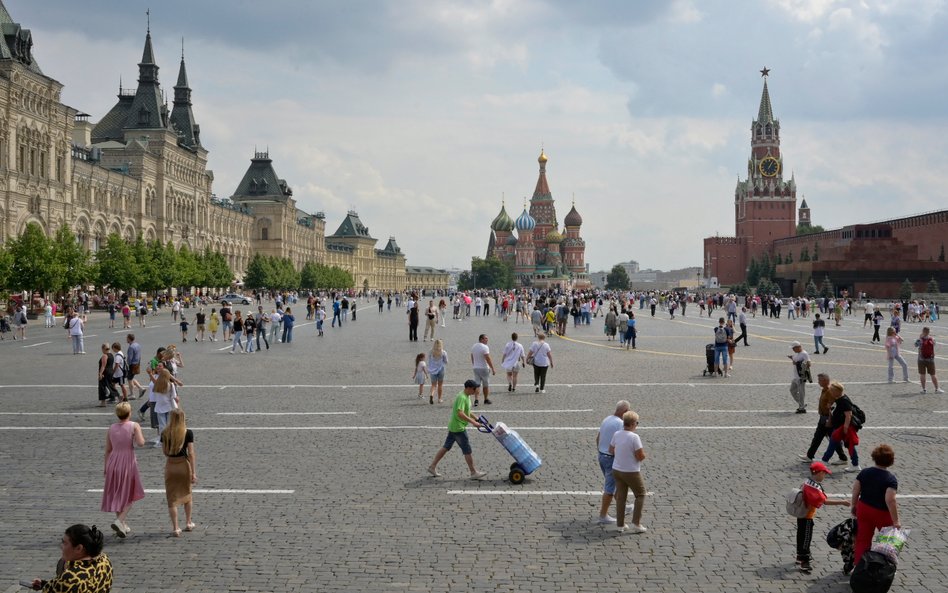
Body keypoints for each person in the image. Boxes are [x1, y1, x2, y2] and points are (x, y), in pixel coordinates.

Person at [794, 461, 851, 574]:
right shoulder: (813, 487)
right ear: (818, 473)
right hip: (807, 516)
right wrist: (842, 502)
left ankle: (800, 555)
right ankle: (804, 560)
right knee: (806, 538)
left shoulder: (807, 481)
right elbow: (824, 501)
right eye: (824, 473)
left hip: (802, 515)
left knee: (800, 535)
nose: (825, 476)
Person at [850, 444, 900, 568]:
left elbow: (855, 490)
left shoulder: (864, 472)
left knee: (863, 539)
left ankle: (859, 566)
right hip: (881, 513)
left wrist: (853, 506)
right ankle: (883, 567)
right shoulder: (890, 479)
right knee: (886, 541)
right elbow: (890, 500)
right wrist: (896, 521)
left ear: (874, 458)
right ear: (890, 461)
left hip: (864, 508)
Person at [101, 401, 146, 538]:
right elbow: (141, 443)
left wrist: (106, 467)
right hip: (127, 463)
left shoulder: (111, 428)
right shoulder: (134, 425)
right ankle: (119, 520)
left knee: (117, 493)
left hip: (113, 462)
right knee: (130, 494)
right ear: (130, 413)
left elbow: (108, 450)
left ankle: (123, 525)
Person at [426, 379, 487, 480]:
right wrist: (474, 423)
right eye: (474, 388)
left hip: (454, 426)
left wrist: (476, 418)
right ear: (468, 388)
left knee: (446, 447)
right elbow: (460, 413)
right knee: (467, 450)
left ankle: (432, 467)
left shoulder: (466, 396)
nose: (475, 390)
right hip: (458, 428)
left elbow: (467, 411)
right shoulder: (462, 397)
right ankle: (473, 472)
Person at [29, 524, 113, 592]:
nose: (61, 547)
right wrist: (45, 584)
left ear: (79, 548)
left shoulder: (70, 577)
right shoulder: (104, 560)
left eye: (65, 543)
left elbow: (71, 584)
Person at [609, 410, 647, 534]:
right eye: (637, 423)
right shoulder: (634, 437)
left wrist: (621, 455)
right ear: (632, 424)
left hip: (617, 469)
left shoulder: (617, 434)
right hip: (631, 471)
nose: (637, 425)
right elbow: (640, 455)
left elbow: (611, 450)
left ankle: (620, 525)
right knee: (640, 494)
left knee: (621, 497)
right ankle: (636, 523)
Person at [162, 408, 197, 537]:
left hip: (171, 465)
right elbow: (191, 453)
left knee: (171, 498)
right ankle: (188, 522)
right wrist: (193, 472)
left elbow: (164, 452)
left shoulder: (165, 433)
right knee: (187, 494)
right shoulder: (188, 433)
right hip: (184, 465)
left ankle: (176, 527)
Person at [799, 373, 848, 464]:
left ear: (825, 381)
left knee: (833, 439)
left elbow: (831, 407)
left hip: (827, 419)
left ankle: (843, 458)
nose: (818, 382)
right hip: (823, 418)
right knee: (817, 437)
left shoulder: (830, 392)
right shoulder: (825, 390)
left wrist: (829, 419)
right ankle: (809, 456)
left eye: (819, 380)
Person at [596, 400, 631, 525]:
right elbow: (622, 443)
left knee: (617, 483)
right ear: (625, 411)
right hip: (610, 458)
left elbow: (598, 438)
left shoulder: (607, 419)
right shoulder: (620, 424)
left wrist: (600, 451)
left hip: (602, 455)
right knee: (610, 488)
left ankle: (624, 506)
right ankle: (603, 515)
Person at [820, 380, 861, 472]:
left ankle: (825, 460)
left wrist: (845, 428)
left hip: (843, 427)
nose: (831, 393)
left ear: (837, 392)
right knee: (840, 443)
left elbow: (848, 415)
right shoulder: (839, 399)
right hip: (839, 426)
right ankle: (855, 464)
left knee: (837, 442)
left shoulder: (844, 401)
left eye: (832, 391)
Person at [915, 326, 944, 393]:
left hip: (921, 359)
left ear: (923, 331)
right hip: (930, 359)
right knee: (933, 374)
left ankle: (923, 389)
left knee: (922, 374)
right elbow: (934, 344)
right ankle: (937, 389)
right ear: (929, 332)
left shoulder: (920, 339)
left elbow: (915, 345)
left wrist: (920, 337)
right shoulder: (932, 339)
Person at [470, 334, 496, 406]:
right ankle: (486, 399)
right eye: (485, 338)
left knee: (477, 384)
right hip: (484, 368)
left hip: (476, 368)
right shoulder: (485, 347)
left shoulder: (474, 346)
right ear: (481, 339)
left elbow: (472, 356)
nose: (487, 340)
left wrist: (474, 364)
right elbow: (487, 358)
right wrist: (492, 368)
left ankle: (476, 400)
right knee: (485, 385)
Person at [788, 341, 810, 413]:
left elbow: (808, 364)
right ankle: (802, 404)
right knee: (792, 390)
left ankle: (802, 408)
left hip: (801, 377)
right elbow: (795, 359)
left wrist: (797, 363)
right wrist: (791, 358)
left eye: (793, 348)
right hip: (796, 376)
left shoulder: (804, 354)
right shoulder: (797, 353)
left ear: (798, 347)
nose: (793, 350)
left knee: (801, 392)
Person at [428, 339, 449, 404]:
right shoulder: (443, 352)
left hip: (432, 370)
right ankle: (439, 399)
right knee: (440, 385)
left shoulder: (431, 352)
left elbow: (429, 360)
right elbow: (446, 361)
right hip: (441, 369)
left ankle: (431, 394)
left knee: (433, 385)